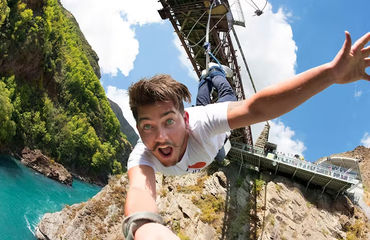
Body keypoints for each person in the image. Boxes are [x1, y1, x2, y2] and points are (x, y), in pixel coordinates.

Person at [123, 32, 370, 240]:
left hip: (216, 141)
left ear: (184, 120)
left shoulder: (204, 122)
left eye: (168, 121)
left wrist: (331, 74)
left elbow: (257, 108)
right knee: (201, 97)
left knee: (225, 92)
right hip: (206, 142)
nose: (161, 136)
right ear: (138, 130)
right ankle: (205, 76)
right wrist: (145, 228)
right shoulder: (141, 156)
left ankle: (216, 72)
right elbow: (140, 197)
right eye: (148, 127)